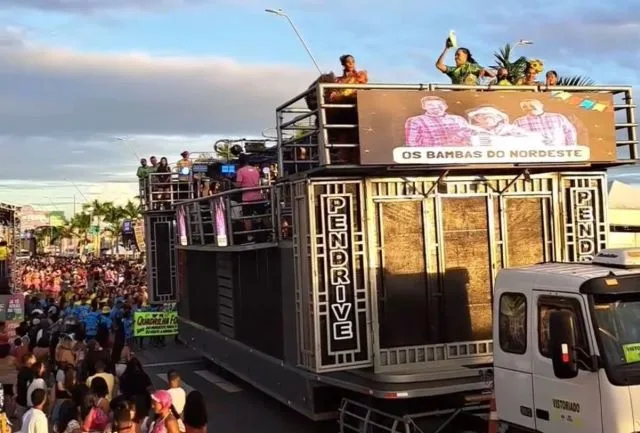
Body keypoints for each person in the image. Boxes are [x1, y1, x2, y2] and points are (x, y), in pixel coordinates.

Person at [234, 154, 262, 243]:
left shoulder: (240, 171)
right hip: (258, 196)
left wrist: (232, 183)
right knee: (263, 214)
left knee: (247, 218)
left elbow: (238, 185)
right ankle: (271, 231)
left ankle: (249, 237)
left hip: (247, 199)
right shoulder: (255, 170)